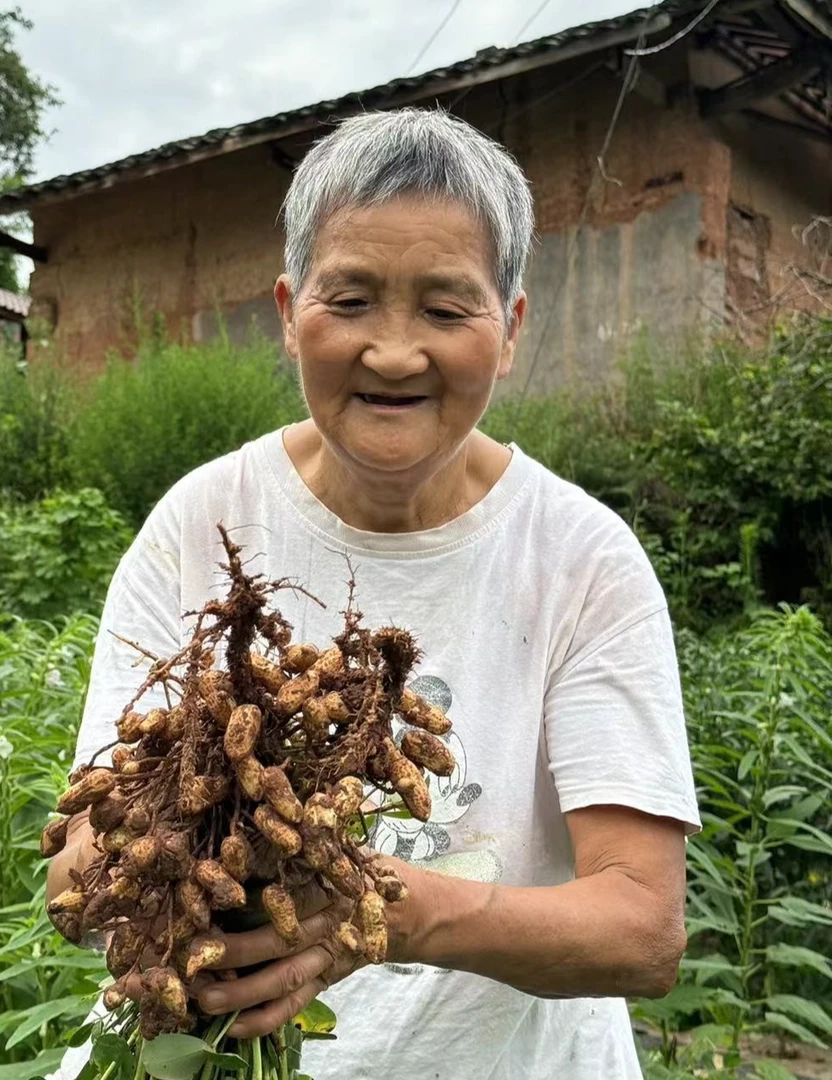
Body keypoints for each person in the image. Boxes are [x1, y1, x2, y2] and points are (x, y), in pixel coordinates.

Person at [45, 107, 701, 1080]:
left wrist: (384, 907)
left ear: (510, 329)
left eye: (445, 310)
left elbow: (644, 930)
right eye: (349, 302)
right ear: (287, 312)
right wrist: (154, 865)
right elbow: (77, 874)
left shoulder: (581, 561)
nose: (394, 354)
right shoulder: (201, 522)